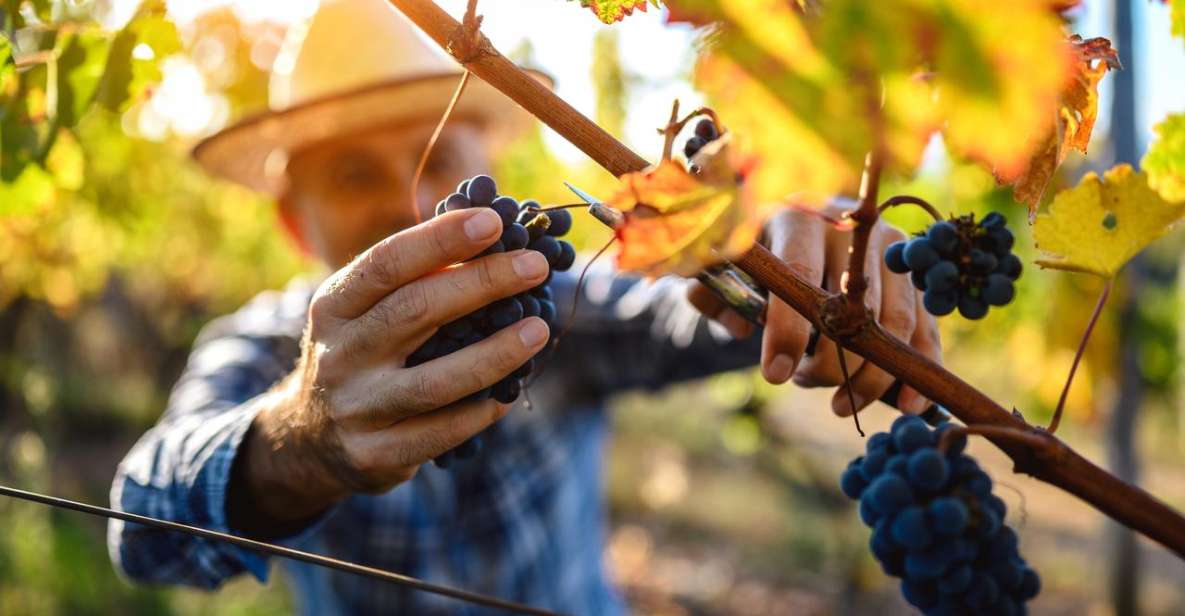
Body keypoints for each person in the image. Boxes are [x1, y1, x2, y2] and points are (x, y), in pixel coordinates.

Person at [107, 1, 942, 614]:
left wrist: (786, 259)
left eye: (440, 161)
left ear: (489, 169)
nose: (410, 203)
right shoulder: (263, 351)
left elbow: (680, 315)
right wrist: (299, 441)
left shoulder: (558, 308)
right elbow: (141, 529)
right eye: (354, 175)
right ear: (296, 223)